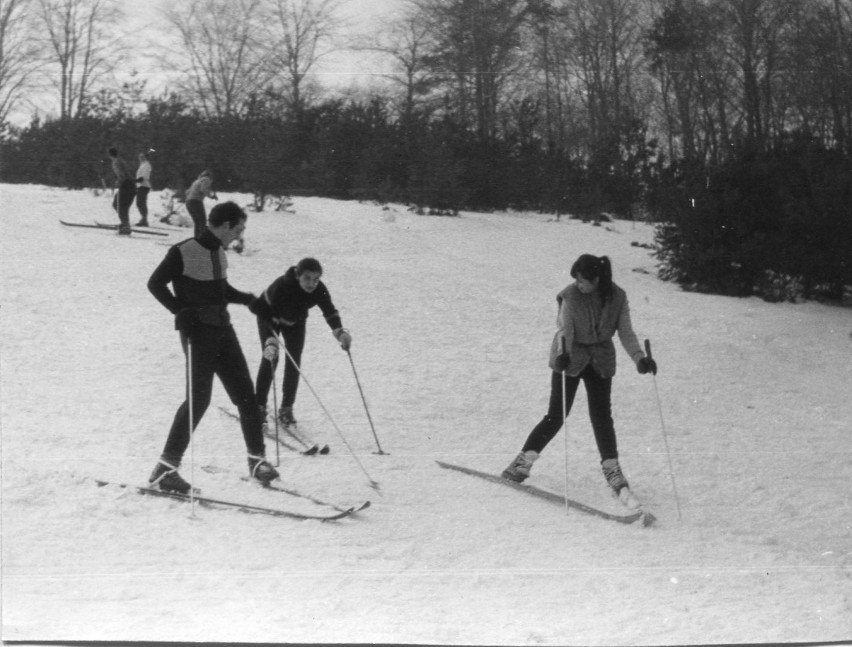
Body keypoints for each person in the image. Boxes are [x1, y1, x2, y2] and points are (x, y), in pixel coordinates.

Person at [501, 254, 658, 509]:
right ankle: (521, 463)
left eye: (583, 281)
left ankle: (613, 471)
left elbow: (626, 331)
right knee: (556, 414)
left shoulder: (617, 297)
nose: (579, 285)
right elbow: (566, 330)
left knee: (602, 416)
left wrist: (640, 358)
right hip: (570, 356)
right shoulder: (571, 296)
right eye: (576, 280)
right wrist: (563, 354)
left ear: (597, 279)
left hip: (601, 359)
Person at [147, 200, 279, 493]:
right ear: (224, 226)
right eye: (238, 229)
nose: (239, 236)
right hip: (198, 334)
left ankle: (257, 462)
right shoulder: (183, 251)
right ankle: (164, 470)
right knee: (198, 400)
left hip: (223, 331)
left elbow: (221, 290)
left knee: (246, 397)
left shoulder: (219, 252)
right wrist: (178, 310)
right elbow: (155, 283)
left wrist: (248, 300)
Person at [253, 258, 352, 427]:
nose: (312, 283)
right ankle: (259, 407)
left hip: (295, 321)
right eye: (307, 278)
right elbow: (266, 313)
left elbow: (329, 312)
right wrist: (271, 341)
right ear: (298, 275)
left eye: (316, 279)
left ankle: (286, 408)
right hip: (269, 317)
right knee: (271, 358)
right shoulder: (282, 286)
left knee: (294, 360)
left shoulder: (319, 290)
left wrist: (340, 332)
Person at [108, 147, 136, 235]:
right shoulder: (121, 160)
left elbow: (122, 175)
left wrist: (118, 182)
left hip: (126, 185)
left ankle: (126, 226)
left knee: (118, 205)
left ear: (110, 155)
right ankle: (125, 224)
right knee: (123, 206)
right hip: (131, 185)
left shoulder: (115, 162)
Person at [185, 170, 217, 238]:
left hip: (188, 202)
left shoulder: (196, 181)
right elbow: (203, 189)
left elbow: (187, 192)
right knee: (202, 221)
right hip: (196, 201)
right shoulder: (206, 179)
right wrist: (211, 196)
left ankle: (197, 239)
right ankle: (201, 239)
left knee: (197, 222)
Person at [134, 151, 153, 227]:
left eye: (142, 157)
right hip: (140, 185)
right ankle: (144, 219)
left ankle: (144, 219)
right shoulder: (142, 165)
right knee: (140, 203)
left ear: (146, 157)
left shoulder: (146, 165)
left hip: (144, 186)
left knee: (141, 203)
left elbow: (144, 177)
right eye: (140, 157)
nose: (140, 158)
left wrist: (135, 180)